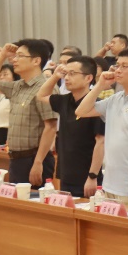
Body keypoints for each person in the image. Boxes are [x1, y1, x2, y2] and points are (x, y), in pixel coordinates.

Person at [74, 48, 128, 208]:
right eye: (117, 65)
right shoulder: (115, 99)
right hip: (111, 185)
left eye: (124, 66)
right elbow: (81, 111)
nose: (118, 70)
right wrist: (100, 85)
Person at [0, 40, 56, 186]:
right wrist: (2, 55)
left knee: (34, 199)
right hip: (16, 158)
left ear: (36, 61)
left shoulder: (46, 87)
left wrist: (38, 162)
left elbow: (51, 127)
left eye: (20, 56)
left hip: (34, 159)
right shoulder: (17, 86)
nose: (14, 60)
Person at [36, 57, 105, 199]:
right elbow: (41, 95)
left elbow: (100, 142)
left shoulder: (97, 106)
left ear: (88, 78)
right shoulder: (65, 100)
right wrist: (55, 76)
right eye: (66, 74)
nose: (67, 78)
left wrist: (93, 176)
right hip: (66, 174)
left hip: (87, 177)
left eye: (72, 74)